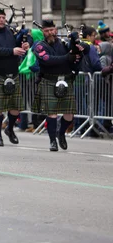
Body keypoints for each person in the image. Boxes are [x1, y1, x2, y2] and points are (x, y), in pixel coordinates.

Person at [0, 8, 32, 146]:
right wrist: (12, 51)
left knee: (15, 108)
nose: (2, 20)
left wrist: (26, 44)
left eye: (3, 17)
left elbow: (24, 40)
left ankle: (9, 129)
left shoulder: (10, 31)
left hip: (12, 74)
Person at [32, 20, 84, 152]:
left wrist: (75, 43)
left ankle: (61, 133)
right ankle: (52, 141)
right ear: (42, 32)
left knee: (69, 114)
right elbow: (47, 60)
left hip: (66, 80)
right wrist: (67, 57)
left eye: (51, 30)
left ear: (56, 30)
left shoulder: (64, 44)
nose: (50, 33)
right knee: (52, 114)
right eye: (46, 31)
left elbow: (76, 55)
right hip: (49, 80)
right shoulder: (38, 46)